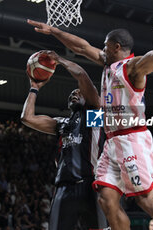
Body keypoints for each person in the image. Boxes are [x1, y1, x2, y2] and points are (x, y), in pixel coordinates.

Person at [28, 6, 153, 230]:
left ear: (116, 47)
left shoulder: (134, 67)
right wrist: (53, 31)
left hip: (132, 140)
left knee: (146, 200)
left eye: (106, 46)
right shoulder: (108, 64)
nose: (102, 49)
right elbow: (81, 46)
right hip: (112, 143)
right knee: (106, 199)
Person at [21, 51, 107, 230]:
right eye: (71, 94)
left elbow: (82, 76)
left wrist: (59, 60)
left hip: (90, 185)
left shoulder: (94, 115)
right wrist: (34, 88)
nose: (74, 94)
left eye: (78, 93)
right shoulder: (61, 124)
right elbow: (27, 118)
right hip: (63, 188)